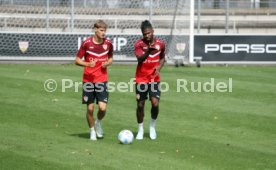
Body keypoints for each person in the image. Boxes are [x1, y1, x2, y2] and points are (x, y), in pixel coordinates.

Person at [75, 20, 113, 141]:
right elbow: (76, 60)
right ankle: (92, 131)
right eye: (101, 30)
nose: (103, 33)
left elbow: (111, 58)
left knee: (102, 108)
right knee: (90, 108)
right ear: (95, 30)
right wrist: (87, 64)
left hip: (102, 79)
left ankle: (98, 122)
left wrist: (107, 63)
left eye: (105, 31)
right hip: (88, 80)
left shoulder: (108, 44)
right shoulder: (86, 43)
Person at [134, 20, 165, 140]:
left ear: (153, 31)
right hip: (141, 79)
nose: (147, 35)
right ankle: (140, 129)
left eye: (148, 33)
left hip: (154, 79)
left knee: (155, 103)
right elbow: (139, 59)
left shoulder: (160, 44)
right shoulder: (138, 44)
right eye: (144, 34)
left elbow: (162, 58)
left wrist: (159, 67)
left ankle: (152, 126)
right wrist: (148, 51)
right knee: (140, 105)